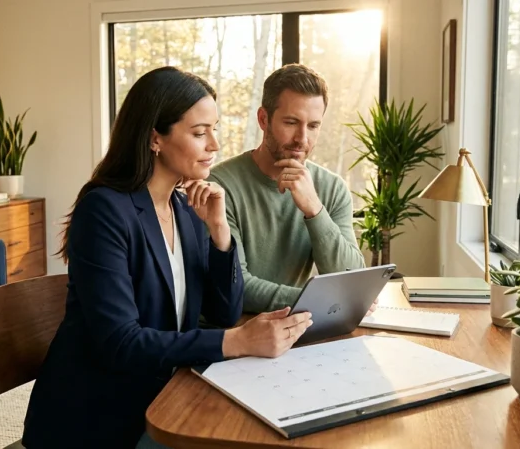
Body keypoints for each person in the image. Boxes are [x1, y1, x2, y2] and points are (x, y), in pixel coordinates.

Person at [21, 66, 313, 449]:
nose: (214, 145)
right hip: (98, 418)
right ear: (155, 137)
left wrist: (220, 236)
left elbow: (224, 313)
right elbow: (120, 343)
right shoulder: (104, 210)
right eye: (199, 133)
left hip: (163, 393)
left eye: (214, 129)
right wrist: (237, 342)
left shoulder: (185, 207)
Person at [207, 63, 366, 315]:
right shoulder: (220, 185)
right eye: (291, 122)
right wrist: (321, 299)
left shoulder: (332, 188)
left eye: (313, 126)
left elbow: (353, 280)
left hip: (295, 328)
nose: (302, 138)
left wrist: (314, 209)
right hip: (236, 330)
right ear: (263, 119)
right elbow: (239, 286)